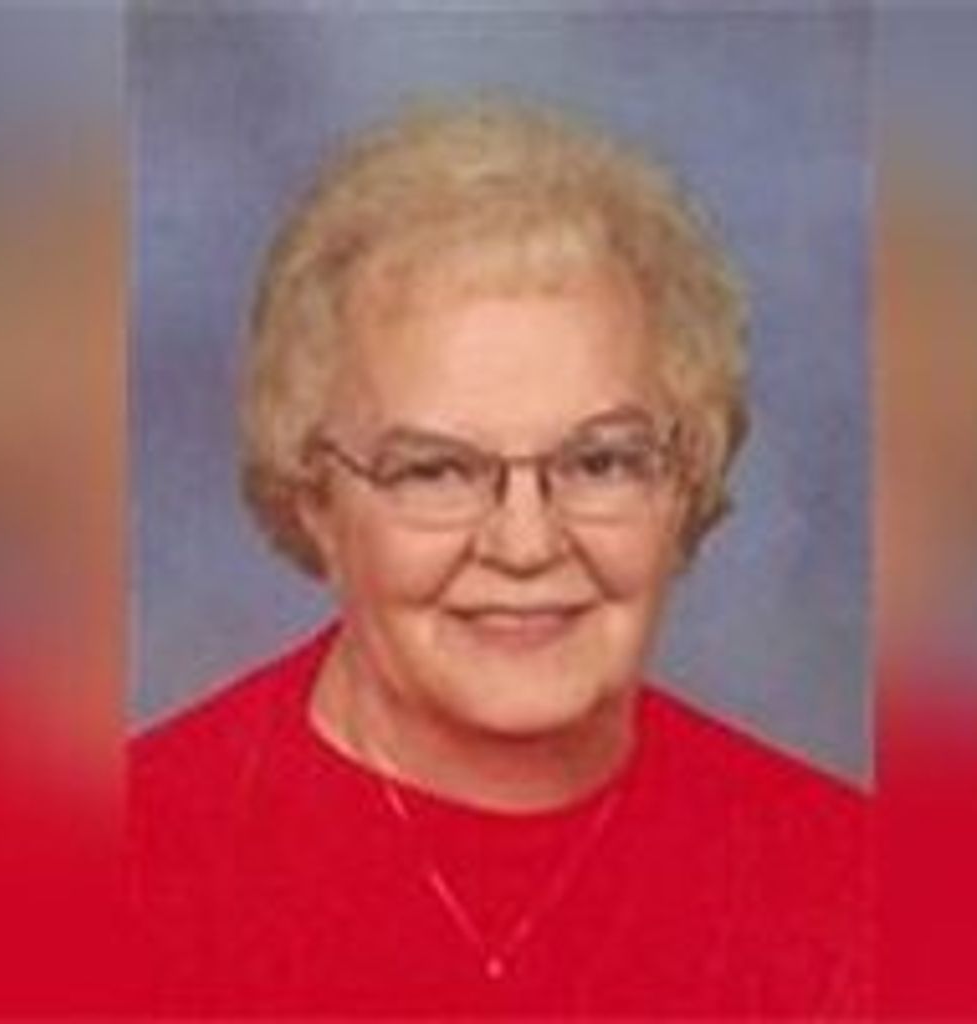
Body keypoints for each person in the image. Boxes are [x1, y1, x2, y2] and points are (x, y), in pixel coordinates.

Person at [130, 98, 872, 1016]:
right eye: (435, 470)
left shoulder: (855, 892)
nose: (526, 545)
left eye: (601, 462)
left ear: (687, 479)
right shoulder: (111, 881)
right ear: (315, 499)